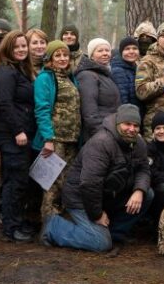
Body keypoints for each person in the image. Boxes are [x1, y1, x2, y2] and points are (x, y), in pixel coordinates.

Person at [42, 104, 155, 252]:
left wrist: (139, 190)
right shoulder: (101, 143)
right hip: (80, 198)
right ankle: (54, 226)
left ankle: (114, 234)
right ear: (118, 123)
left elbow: (144, 169)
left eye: (136, 125)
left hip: (107, 195)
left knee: (148, 194)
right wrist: (97, 215)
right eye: (127, 124)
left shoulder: (138, 143)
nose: (132, 129)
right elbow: (89, 184)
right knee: (100, 243)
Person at [0, 31, 38, 243]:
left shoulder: (21, 70)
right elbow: (5, 103)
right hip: (11, 135)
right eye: (17, 47)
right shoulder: (5, 72)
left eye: (23, 46)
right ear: (8, 49)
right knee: (15, 180)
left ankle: (17, 219)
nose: (21, 50)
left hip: (23, 133)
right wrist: (18, 131)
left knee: (20, 179)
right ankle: (11, 226)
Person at [33, 40, 81, 220]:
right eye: (58, 55)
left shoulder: (70, 77)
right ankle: (48, 222)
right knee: (51, 182)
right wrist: (48, 138)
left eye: (65, 55)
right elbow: (42, 108)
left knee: (67, 181)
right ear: (50, 58)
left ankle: (62, 219)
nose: (62, 59)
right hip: (55, 139)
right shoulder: (45, 78)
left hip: (72, 139)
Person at [76, 38, 121, 142]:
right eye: (100, 51)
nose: (105, 53)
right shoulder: (88, 75)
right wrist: (100, 133)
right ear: (91, 55)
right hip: (98, 135)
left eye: (107, 50)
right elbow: (89, 112)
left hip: (111, 130)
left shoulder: (106, 74)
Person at [110, 36, 141, 109]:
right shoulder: (118, 71)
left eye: (134, 48)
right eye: (127, 49)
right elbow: (123, 100)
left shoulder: (136, 68)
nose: (131, 51)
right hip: (129, 115)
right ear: (121, 52)